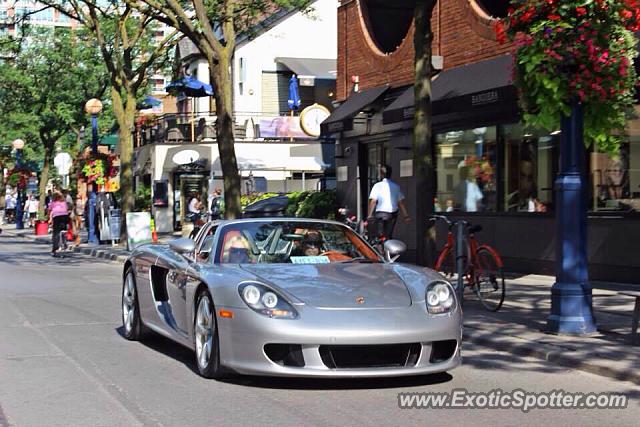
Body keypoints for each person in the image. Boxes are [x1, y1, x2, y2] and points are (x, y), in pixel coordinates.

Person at [366, 164, 411, 240]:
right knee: (388, 235)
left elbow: (373, 201)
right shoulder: (396, 186)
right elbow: (400, 203)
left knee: (379, 235)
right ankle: (388, 248)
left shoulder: (377, 186)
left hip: (380, 213)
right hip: (392, 214)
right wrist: (406, 216)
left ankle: (379, 248)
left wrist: (369, 215)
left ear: (382, 174)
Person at [48, 192, 69, 257]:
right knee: (63, 230)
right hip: (64, 216)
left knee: (56, 233)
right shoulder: (64, 202)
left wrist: (49, 218)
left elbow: (49, 210)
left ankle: (55, 248)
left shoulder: (53, 203)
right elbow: (67, 209)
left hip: (57, 217)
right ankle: (64, 241)